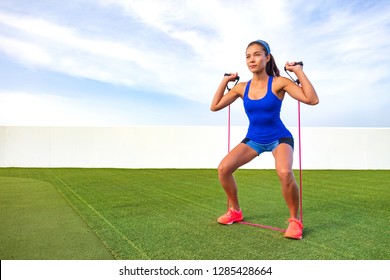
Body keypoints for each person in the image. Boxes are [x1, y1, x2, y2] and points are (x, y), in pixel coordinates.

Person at [210, 39, 319, 239]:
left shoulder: (279, 82)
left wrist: (299, 72)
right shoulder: (242, 88)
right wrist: (225, 81)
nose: (252, 59)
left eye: (257, 54)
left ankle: (295, 221)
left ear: (267, 58)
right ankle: (235, 211)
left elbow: (312, 100)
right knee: (224, 169)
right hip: (254, 139)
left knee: (285, 172)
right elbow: (215, 106)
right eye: (248, 56)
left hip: (279, 137)